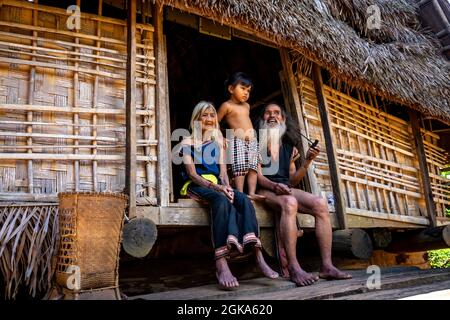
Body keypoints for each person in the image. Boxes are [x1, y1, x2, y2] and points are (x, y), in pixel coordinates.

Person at [179, 101, 278, 290]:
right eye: (204, 115)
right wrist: (217, 189)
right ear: (196, 118)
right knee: (220, 200)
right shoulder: (186, 142)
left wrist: (227, 187)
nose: (209, 119)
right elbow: (192, 174)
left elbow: (223, 174)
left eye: (212, 115)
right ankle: (221, 263)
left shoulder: (218, 143)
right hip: (196, 185)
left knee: (242, 198)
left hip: (217, 184)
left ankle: (258, 255)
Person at [255, 102, 352, 287]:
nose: (272, 116)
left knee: (320, 204)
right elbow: (258, 177)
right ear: (262, 120)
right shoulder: (255, 142)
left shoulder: (289, 146)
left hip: (284, 188)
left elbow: (291, 181)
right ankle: (294, 267)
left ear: (283, 119)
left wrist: (307, 162)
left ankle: (327, 266)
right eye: (267, 113)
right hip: (266, 189)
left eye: (277, 113)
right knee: (290, 202)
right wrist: (274, 186)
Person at [217, 72, 265, 201]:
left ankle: (252, 192)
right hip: (237, 140)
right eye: (242, 89)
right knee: (240, 167)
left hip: (253, 141)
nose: (246, 93)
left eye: (248, 90)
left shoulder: (247, 106)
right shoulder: (226, 106)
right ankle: (239, 192)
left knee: (253, 167)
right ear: (231, 89)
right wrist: (220, 136)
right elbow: (215, 122)